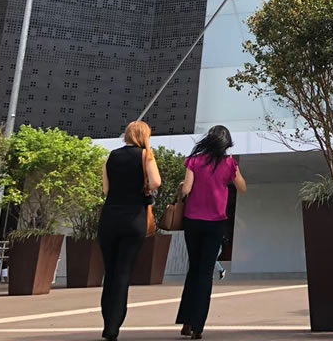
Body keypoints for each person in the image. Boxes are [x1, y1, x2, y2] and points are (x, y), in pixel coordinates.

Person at [176, 125, 246, 339]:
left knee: (194, 269)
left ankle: (186, 321)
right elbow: (242, 188)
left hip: (192, 221)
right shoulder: (229, 163)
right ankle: (198, 326)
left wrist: (182, 186)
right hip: (215, 223)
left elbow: (186, 190)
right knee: (206, 273)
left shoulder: (194, 161)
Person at [98, 121, 162, 341]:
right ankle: (114, 325)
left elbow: (106, 189)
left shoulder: (112, 156)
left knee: (110, 271)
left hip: (109, 218)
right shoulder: (145, 155)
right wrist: (143, 187)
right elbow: (156, 182)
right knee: (123, 272)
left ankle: (107, 322)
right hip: (134, 218)